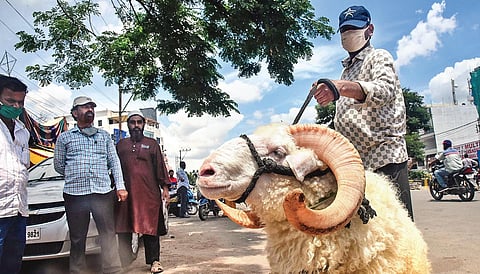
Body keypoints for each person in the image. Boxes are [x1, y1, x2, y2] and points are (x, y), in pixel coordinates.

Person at [311, 5, 414, 221]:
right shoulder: (347, 70)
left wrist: (340, 88)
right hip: (358, 164)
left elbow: (384, 91)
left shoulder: (378, 57)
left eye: (354, 29)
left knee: (396, 229)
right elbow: (345, 119)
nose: (348, 35)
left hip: (385, 157)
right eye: (344, 31)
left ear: (370, 30)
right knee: (367, 232)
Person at [54, 96, 128, 274]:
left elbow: (114, 162)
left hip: (102, 192)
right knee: (78, 237)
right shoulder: (65, 138)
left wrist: (120, 186)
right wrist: (76, 175)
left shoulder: (104, 136)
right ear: (74, 113)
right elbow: (58, 165)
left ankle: (113, 270)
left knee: (108, 234)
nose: (90, 110)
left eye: (92, 107)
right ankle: (77, 271)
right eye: (85, 107)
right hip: (75, 194)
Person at [115, 110, 170, 274]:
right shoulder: (121, 144)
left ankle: (154, 261)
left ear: (143, 124)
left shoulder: (152, 143)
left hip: (148, 194)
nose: (136, 125)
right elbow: (114, 167)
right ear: (128, 125)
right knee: (123, 227)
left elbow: (160, 167)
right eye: (133, 122)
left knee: (149, 227)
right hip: (125, 194)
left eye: (139, 122)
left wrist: (165, 188)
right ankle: (124, 263)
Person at [0, 75, 29, 274]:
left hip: (19, 209)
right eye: (11, 101)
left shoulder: (22, 131)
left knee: (12, 262)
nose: (16, 106)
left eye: (20, 102)